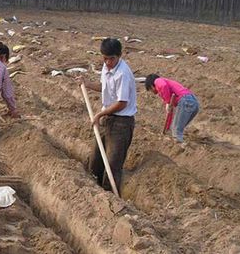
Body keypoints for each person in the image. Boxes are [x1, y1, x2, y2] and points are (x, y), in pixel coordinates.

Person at [77, 38, 137, 194]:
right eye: (105, 58)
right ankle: (92, 190)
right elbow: (105, 87)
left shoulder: (123, 73)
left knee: (112, 164)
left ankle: (109, 197)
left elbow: (122, 102)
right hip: (107, 118)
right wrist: (88, 84)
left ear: (119, 56)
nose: (108, 62)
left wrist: (100, 114)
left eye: (112, 58)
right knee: (96, 159)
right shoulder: (105, 67)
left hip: (122, 123)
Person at [145, 74, 199, 144]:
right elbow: (170, 113)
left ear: (151, 86)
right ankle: (179, 141)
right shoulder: (167, 90)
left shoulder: (157, 81)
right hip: (193, 102)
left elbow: (163, 85)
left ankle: (179, 147)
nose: (152, 92)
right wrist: (167, 128)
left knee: (176, 130)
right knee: (176, 127)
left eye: (150, 90)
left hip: (186, 101)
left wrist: (167, 102)